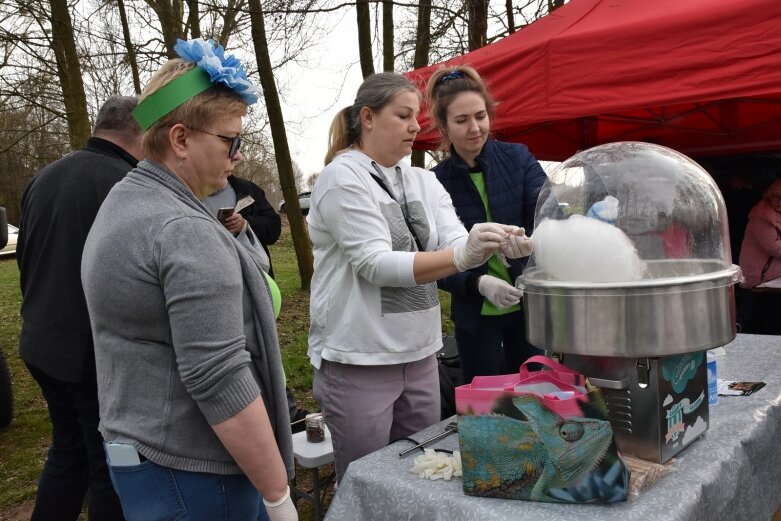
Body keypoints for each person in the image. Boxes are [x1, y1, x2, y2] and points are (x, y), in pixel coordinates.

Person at [80, 39, 297, 521]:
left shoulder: (123, 201)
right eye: (231, 140)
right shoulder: (185, 231)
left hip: (139, 452)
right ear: (180, 139)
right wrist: (277, 493)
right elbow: (220, 377)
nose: (239, 155)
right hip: (196, 472)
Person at [307, 72, 530, 482]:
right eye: (403, 115)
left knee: (421, 475)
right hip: (361, 358)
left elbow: (457, 239)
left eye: (417, 116)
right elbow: (374, 263)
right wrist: (465, 255)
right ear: (368, 118)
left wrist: (496, 243)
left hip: (421, 355)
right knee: (367, 482)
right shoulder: (343, 178)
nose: (415, 126)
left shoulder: (422, 180)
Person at [16, 95, 142, 521]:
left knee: (68, 452)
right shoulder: (128, 183)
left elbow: (27, 258)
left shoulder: (45, 175)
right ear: (141, 131)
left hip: (41, 341)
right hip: (89, 352)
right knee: (110, 466)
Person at [425, 65, 545, 384]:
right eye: (462, 120)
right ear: (444, 126)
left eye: (480, 116)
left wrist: (533, 242)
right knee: (485, 410)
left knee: (537, 396)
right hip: (475, 316)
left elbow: (547, 213)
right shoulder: (434, 183)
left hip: (528, 307)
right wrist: (478, 283)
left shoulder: (518, 158)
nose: (475, 128)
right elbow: (435, 258)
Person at [203, 176, 310, 430]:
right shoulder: (186, 190)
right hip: (213, 287)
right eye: (228, 143)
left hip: (256, 284)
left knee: (266, 350)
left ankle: (288, 413)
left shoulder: (246, 190)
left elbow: (273, 227)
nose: (235, 155)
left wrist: (244, 224)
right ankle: (250, 420)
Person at [739, 178, 781, 289]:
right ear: (769, 197)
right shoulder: (761, 217)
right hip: (758, 278)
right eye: (776, 197)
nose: (779, 202)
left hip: (773, 278)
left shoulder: (778, 214)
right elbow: (773, 247)